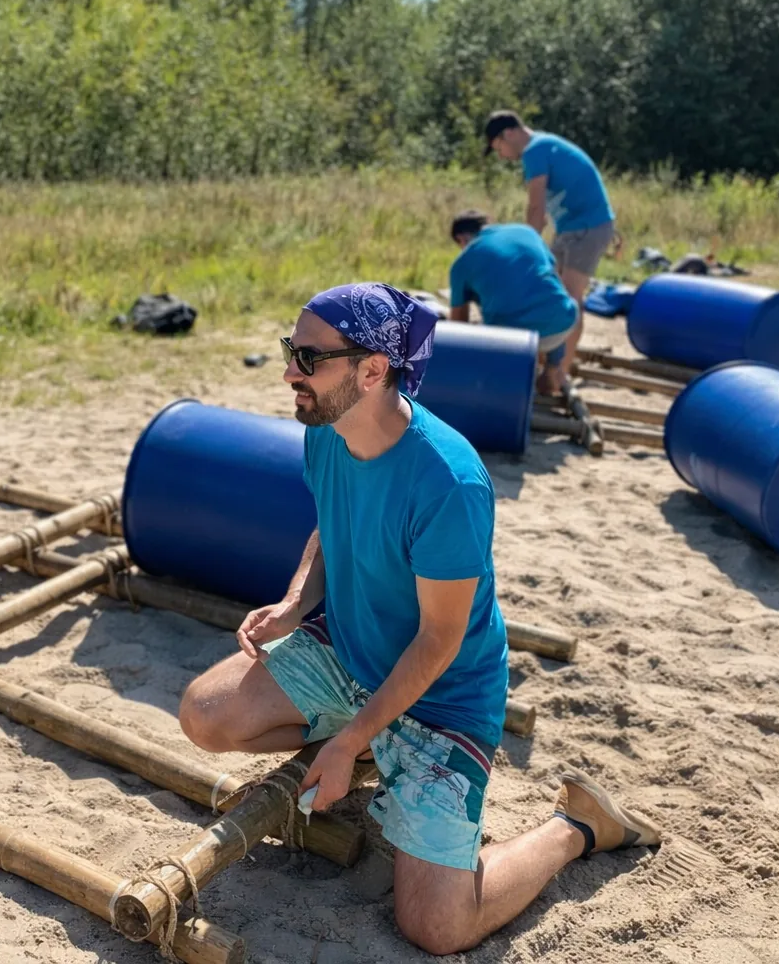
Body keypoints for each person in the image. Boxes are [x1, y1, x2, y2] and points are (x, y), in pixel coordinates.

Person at [177, 282, 660, 955]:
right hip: (349, 650)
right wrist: (296, 604)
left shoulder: (448, 482)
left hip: (442, 697)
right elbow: (329, 525)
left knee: (437, 928)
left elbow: (439, 641)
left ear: (372, 370)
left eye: (308, 358)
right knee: (206, 713)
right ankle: (367, 739)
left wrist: (347, 743)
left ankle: (578, 826)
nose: (290, 370)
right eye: (291, 351)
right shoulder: (326, 429)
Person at [484, 110, 615, 378]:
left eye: (499, 149)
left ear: (509, 133)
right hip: (570, 229)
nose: (502, 156)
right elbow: (541, 215)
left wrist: (526, 251)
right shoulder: (541, 146)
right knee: (550, 294)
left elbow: (536, 208)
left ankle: (560, 374)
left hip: (588, 228)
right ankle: (549, 362)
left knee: (568, 301)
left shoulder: (535, 150)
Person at [447, 210, 581, 395]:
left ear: (461, 239)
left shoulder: (463, 262)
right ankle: (553, 367)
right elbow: (552, 273)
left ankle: (511, 379)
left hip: (515, 343)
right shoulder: (526, 231)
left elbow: (458, 326)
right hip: (564, 324)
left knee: (496, 326)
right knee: (549, 302)